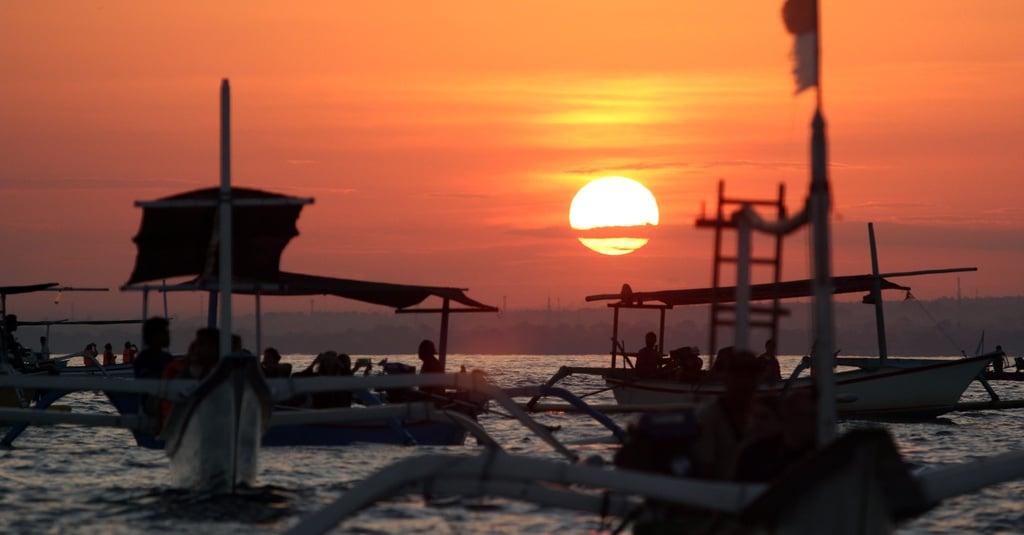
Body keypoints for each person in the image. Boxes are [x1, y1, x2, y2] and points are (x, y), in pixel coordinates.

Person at [689, 349, 761, 480]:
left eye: (751, 375)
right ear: (727, 377)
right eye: (739, 375)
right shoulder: (709, 417)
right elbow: (705, 469)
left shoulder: (763, 416)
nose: (745, 382)